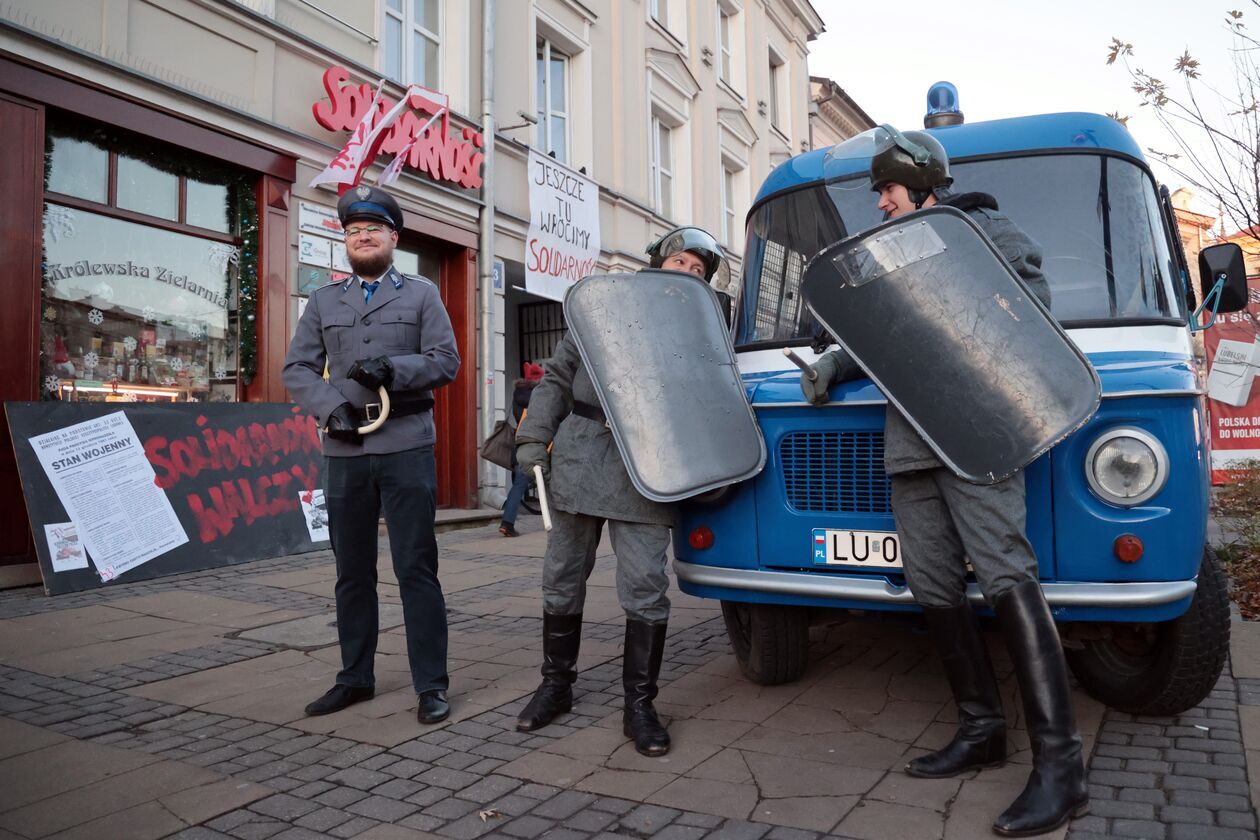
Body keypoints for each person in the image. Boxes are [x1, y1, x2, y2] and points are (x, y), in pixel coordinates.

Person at [801, 127, 1087, 836]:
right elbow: (878, 329)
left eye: (887, 192)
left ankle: (1062, 768)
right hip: (912, 441)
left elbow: (1029, 314)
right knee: (930, 582)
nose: (881, 205)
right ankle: (982, 727)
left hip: (978, 430)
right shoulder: (891, 250)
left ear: (924, 184)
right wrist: (833, 365)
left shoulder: (982, 231)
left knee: (1004, 573)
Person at [512, 226, 726, 757]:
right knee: (561, 576)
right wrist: (534, 436)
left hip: (651, 467)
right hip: (583, 457)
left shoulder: (703, 330)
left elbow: (714, 396)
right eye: (680, 263)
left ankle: (639, 705)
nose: (689, 273)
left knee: (646, 585)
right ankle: (556, 685)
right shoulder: (601, 307)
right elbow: (558, 378)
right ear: (657, 263)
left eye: (698, 271)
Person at [282, 184, 461, 725]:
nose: (363, 238)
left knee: (415, 569)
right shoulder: (322, 301)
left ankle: (431, 684)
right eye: (354, 231)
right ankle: (355, 678)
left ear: (393, 238)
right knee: (352, 571)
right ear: (346, 241)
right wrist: (328, 407)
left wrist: (395, 368)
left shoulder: (421, 295)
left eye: (373, 230)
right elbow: (297, 369)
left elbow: (446, 361)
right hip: (345, 450)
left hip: (406, 445)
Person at [499, 361, 545, 537]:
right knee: (552, 482)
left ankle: (507, 522)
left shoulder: (517, 396)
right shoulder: (540, 396)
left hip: (520, 444)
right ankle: (559, 522)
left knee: (518, 486)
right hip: (538, 444)